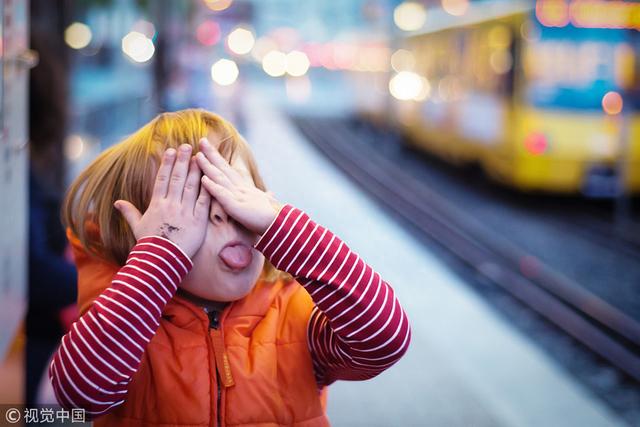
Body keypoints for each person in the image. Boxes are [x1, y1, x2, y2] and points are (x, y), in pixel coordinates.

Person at [48, 109, 411, 426]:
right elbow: (78, 395)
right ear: (139, 236)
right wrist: (159, 258)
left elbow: (384, 339)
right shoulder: (129, 325)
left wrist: (281, 228)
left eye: (237, 192)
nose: (226, 211)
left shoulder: (293, 316)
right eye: (193, 201)